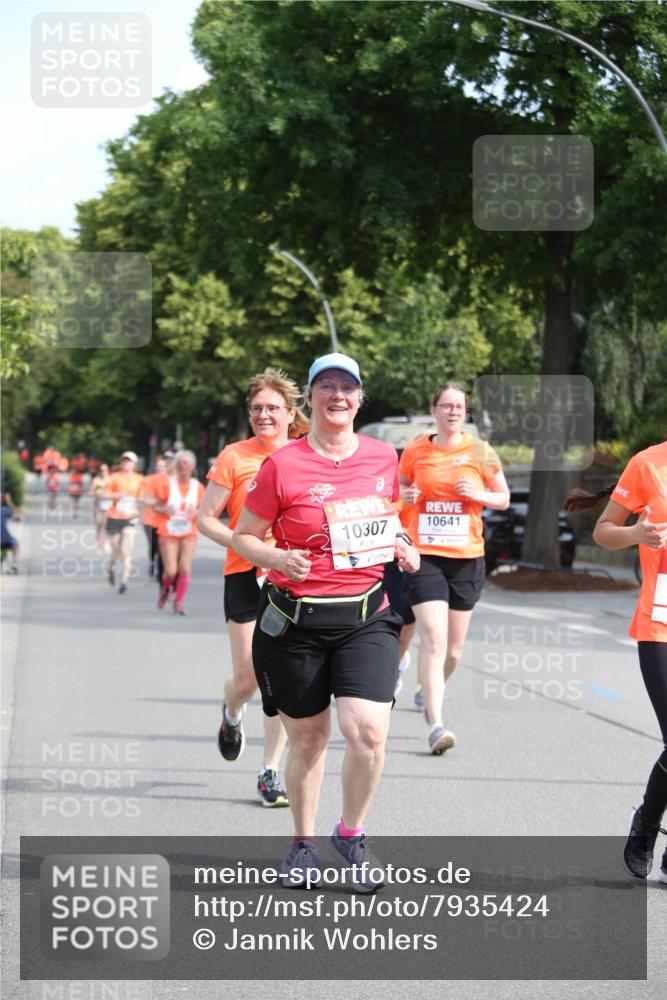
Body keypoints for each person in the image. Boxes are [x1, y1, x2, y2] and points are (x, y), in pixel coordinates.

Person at [232, 352, 420, 888]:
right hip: (297, 623)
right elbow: (246, 536)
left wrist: (404, 545)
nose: (338, 396)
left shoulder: (385, 457)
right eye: (327, 386)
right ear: (309, 399)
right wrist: (274, 558)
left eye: (348, 387)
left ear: (360, 398)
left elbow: (385, 524)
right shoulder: (282, 465)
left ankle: (352, 832)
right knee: (310, 739)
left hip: (367, 616)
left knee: (367, 732)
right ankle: (303, 843)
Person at [197, 367, 309, 808]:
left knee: (278, 678)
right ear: (250, 414)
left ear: (290, 412)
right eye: (258, 408)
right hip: (244, 573)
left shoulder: (305, 454)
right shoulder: (234, 456)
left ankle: (269, 773)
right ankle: (231, 711)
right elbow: (205, 518)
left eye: (273, 409)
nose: (265, 415)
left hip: (289, 576)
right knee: (247, 679)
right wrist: (248, 543)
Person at [565, 439, 667, 882]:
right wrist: (636, 535)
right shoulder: (648, 464)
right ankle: (646, 825)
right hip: (660, 624)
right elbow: (604, 529)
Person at [399, 382, 509, 755]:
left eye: (458, 407)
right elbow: (398, 490)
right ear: (434, 410)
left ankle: (426, 690)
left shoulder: (480, 450)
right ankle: (436, 725)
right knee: (434, 638)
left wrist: (479, 495)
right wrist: (405, 496)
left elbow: (503, 498)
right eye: (445, 406)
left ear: (466, 412)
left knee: (454, 653)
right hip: (425, 555)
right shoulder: (415, 449)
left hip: (466, 557)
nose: (452, 412)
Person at [153, 450, 205, 615]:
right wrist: (164, 509)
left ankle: (178, 601)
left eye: (186, 462)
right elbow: (156, 506)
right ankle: (165, 590)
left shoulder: (198, 486)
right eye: (180, 462)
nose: (183, 466)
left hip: (189, 531)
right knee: (171, 571)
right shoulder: (168, 484)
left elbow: (204, 509)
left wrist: (196, 512)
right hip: (168, 531)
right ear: (175, 466)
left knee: (185, 567)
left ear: (192, 466)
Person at [102, 451, 144, 595]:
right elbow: (103, 494)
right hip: (114, 517)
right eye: (124, 461)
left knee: (126, 551)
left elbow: (144, 496)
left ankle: (124, 581)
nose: (126, 463)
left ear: (134, 464)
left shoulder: (140, 479)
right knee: (116, 549)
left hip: (130, 517)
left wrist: (140, 500)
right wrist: (117, 495)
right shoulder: (114, 477)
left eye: (129, 461)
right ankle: (111, 567)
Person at [141, 455, 167, 580]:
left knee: (163, 544)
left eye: (163, 466)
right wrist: (158, 502)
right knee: (153, 545)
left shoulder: (171, 480)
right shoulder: (149, 480)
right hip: (149, 519)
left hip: (165, 519)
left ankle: (161, 568)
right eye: (158, 466)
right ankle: (152, 562)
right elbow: (144, 498)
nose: (160, 468)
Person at [88, 462, 111, 552]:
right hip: (98, 505)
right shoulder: (96, 480)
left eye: (105, 470)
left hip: (108, 505)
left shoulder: (111, 479)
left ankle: (107, 542)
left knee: (106, 525)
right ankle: (99, 543)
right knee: (98, 525)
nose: (103, 472)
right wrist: (96, 489)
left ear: (108, 471)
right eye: (101, 470)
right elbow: (90, 492)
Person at [1, 492, 20, 574]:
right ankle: (14, 564)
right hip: (4, 538)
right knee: (16, 544)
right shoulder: (5, 510)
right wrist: (10, 503)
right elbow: (18, 518)